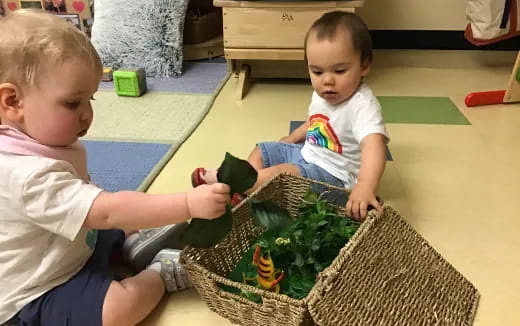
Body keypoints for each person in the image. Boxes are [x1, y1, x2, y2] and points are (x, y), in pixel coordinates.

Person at [0, 10, 230, 326]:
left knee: (116, 217)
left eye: (91, 99)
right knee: (118, 310)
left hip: (73, 243)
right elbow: (107, 211)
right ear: (13, 102)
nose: (87, 115)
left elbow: (95, 203)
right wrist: (188, 204)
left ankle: (132, 244)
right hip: (39, 289)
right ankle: (162, 272)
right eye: (72, 103)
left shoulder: (43, 138)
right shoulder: (22, 175)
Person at [192, 11, 389, 221]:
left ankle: (232, 183)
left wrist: (365, 186)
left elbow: (374, 145)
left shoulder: (361, 105)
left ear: (364, 66)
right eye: (317, 72)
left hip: (335, 178)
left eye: (339, 71)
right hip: (307, 154)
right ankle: (248, 192)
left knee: (281, 174)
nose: (327, 81)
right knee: (262, 151)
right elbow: (316, 122)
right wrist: (294, 137)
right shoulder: (323, 94)